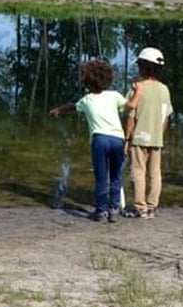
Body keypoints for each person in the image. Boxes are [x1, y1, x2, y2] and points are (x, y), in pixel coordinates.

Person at [50, 58, 127, 222]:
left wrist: (58, 110)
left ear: (87, 82)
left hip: (100, 140)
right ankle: (114, 209)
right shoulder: (115, 96)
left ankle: (100, 211)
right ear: (108, 78)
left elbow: (72, 106)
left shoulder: (86, 100)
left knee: (101, 177)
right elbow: (128, 106)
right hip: (118, 140)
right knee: (115, 176)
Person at [122, 47, 173, 219]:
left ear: (144, 67)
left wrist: (126, 139)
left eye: (140, 65)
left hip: (139, 138)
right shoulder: (165, 90)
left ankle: (139, 207)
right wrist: (159, 134)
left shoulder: (137, 88)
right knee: (155, 173)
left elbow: (131, 116)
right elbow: (165, 117)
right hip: (156, 139)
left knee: (138, 172)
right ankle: (152, 207)